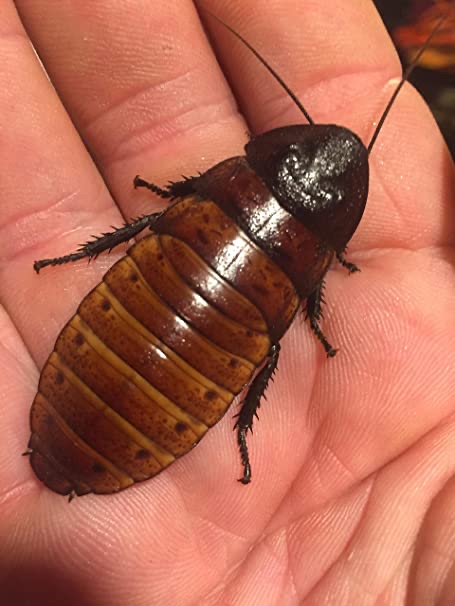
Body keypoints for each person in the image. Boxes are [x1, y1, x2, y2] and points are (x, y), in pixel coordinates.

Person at [0, 1, 453, 604]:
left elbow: (169, 209)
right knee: (263, 344)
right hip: (169, 371)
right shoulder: (309, 265)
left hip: (125, 336)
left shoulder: (225, 191)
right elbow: (298, 312)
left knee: (166, 228)